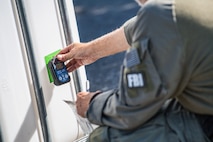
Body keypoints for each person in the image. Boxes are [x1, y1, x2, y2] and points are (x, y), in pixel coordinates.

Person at [57, 0, 213, 141]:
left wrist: (93, 104)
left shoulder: (159, 14)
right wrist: (90, 50)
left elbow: (131, 109)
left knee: (106, 137)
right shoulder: (184, 6)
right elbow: (141, 27)